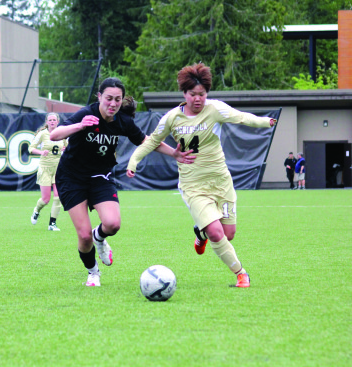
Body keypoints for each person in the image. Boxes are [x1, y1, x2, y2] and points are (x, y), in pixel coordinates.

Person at [126, 63, 277, 288]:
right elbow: (153, 141)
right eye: (193, 94)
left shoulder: (215, 109)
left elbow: (241, 117)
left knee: (229, 233)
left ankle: (200, 233)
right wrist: (134, 160)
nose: (198, 99)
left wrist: (264, 122)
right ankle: (240, 273)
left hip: (221, 182)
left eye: (202, 94)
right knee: (217, 233)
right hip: (193, 186)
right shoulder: (172, 118)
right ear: (184, 94)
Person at [50, 77, 195, 287]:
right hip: (71, 177)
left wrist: (174, 153)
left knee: (112, 224)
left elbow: (147, 141)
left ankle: (99, 237)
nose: (113, 104)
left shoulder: (122, 121)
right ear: (99, 97)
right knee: (83, 236)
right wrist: (80, 126)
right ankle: (93, 273)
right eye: (108, 98)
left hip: (100, 176)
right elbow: (55, 134)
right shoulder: (86, 114)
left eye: (117, 99)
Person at [28, 112, 67, 231]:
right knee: (45, 199)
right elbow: (31, 148)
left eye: (54, 120)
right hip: (45, 169)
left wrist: (66, 150)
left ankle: (52, 224)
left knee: (58, 197)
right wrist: (41, 152)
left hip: (58, 169)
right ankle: (36, 210)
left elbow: (68, 147)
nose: (52, 122)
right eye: (50, 120)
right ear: (47, 122)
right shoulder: (42, 134)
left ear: (58, 122)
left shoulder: (62, 133)